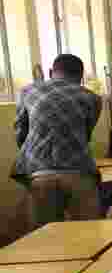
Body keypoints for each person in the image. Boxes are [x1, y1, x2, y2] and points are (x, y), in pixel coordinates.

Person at [13, 53, 103, 226]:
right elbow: (85, 134)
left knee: (44, 240)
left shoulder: (27, 92)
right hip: (79, 174)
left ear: (50, 72)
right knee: (88, 237)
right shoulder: (92, 98)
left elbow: (20, 134)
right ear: (81, 77)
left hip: (40, 174)